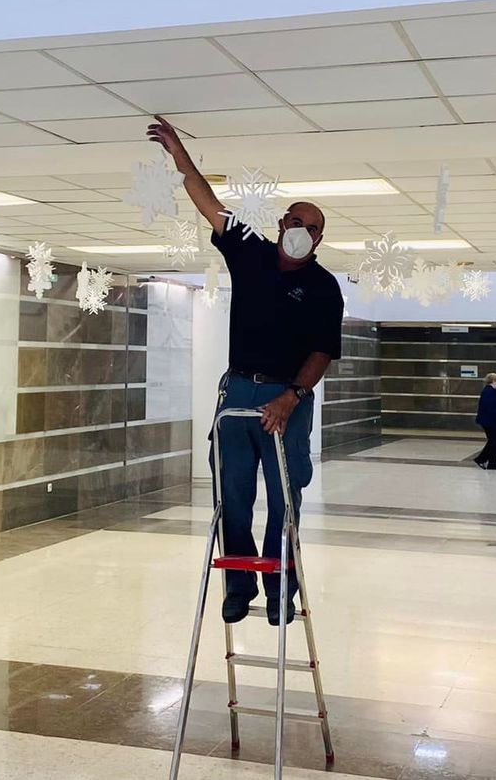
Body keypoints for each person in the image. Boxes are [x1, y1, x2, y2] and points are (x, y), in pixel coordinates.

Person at [148, 116, 342, 627]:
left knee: (284, 498)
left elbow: (322, 351)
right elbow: (205, 199)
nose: (303, 232)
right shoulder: (250, 252)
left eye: (314, 228)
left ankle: (280, 588)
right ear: (282, 224)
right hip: (238, 391)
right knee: (232, 493)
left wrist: (292, 396)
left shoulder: (324, 288)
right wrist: (178, 150)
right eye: (297, 222)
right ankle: (239, 585)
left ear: (320, 240)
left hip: (288, 398)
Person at [473, 373, 496, 469]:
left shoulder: (492, 391)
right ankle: (481, 459)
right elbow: (490, 407)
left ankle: (491, 464)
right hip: (489, 421)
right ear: (493, 381)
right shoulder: (489, 391)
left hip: (491, 421)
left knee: (495, 440)